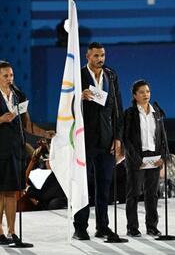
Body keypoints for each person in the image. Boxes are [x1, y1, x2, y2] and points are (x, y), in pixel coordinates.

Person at [0, 60, 55, 245]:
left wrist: (45, 132)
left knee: (13, 193)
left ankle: (12, 232)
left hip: (16, 150)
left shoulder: (19, 96)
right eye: (5, 75)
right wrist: (1, 119)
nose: (9, 78)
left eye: (11, 75)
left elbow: (26, 124)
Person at [72, 42, 124, 240]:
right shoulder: (78, 75)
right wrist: (79, 97)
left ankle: (103, 226)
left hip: (107, 139)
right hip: (84, 140)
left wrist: (118, 137)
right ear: (87, 56)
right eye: (96, 55)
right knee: (83, 185)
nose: (100, 59)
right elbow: (65, 103)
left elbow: (117, 107)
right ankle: (80, 228)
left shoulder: (111, 75)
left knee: (105, 185)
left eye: (102, 55)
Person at [123, 79, 166, 237]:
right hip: (137, 158)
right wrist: (136, 159)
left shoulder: (157, 113)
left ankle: (152, 226)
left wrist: (163, 157)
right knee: (133, 194)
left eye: (147, 91)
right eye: (141, 92)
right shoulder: (130, 113)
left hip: (154, 157)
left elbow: (161, 137)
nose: (145, 94)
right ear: (135, 95)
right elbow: (126, 139)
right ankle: (132, 228)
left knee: (152, 194)